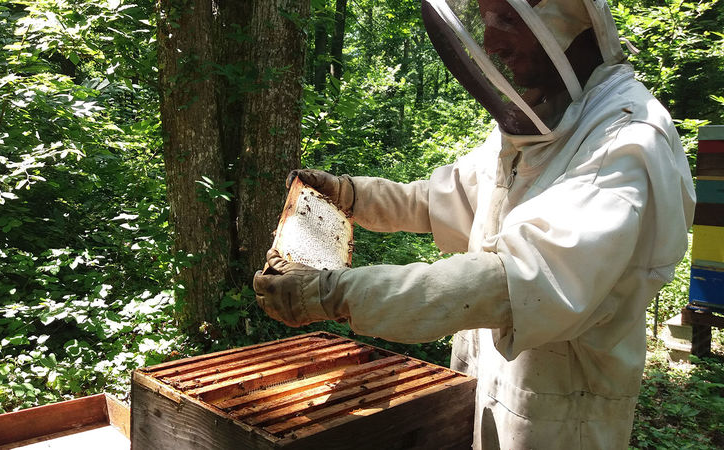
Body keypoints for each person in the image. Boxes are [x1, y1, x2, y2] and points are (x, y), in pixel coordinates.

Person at [253, 0, 695, 447]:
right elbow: (440, 200)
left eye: (506, 18)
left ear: (567, 19)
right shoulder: (541, 117)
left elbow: (519, 280)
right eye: (483, 19)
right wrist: (353, 196)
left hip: (561, 417)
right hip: (487, 383)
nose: (489, 42)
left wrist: (336, 293)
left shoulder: (626, 139)